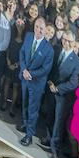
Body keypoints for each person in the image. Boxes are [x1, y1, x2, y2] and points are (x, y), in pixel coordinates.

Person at [43, 34, 79, 158]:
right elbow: (50, 68)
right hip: (50, 89)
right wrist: (49, 83)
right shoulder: (56, 50)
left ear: (74, 42)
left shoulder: (77, 61)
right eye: (65, 39)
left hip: (63, 96)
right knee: (49, 116)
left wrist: (58, 89)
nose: (67, 42)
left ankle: (54, 150)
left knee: (58, 124)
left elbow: (73, 83)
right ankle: (48, 139)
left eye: (70, 40)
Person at [17, 17, 53, 145]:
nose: (38, 30)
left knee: (33, 109)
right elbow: (21, 53)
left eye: (41, 28)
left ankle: (29, 135)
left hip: (36, 83)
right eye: (37, 27)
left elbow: (45, 69)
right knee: (25, 104)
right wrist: (23, 69)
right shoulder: (28, 36)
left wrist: (30, 73)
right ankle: (25, 124)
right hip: (24, 78)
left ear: (45, 30)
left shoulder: (49, 49)